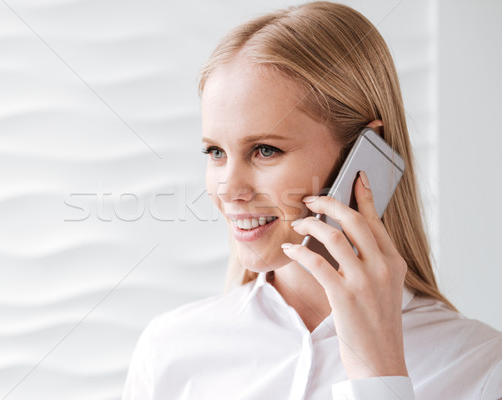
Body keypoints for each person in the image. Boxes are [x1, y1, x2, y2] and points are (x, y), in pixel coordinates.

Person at [122, 2, 502, 399]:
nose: (228, 189)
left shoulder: (483, 368)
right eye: (215, 152)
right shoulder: (168, 351)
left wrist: (380, 373)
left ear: (364, 156)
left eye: (265, 150)